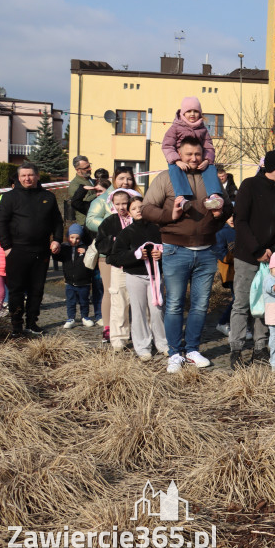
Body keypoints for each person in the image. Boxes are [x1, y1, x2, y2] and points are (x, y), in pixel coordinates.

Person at [142, 136, 231, 373]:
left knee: (200, 305)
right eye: (189, 154)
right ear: (179, 155)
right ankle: (174, 353)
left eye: (197, 154)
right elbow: (146, 208)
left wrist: (220, 213)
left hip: (207, 250)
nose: (193, 158)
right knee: (174, 304)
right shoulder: (166, 177)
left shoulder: (210, 178)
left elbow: (229, 207)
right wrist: (169, 215)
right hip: (175, 249)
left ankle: (192, 350)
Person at [229, 149, 275, 369]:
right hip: (247, 255)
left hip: (272, 259)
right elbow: (240, 221)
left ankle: (260, 348)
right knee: (242, 303)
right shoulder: (249, 185)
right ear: (271, 167)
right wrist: (257, 249)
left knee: (266, 302)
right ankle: (236, 348)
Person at [0, 163, 63, 335]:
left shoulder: (48, 197)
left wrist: (57, 240)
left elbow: (57, 222)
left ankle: (32, 323)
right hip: (17, 251)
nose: (27, 178)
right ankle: (16, 326)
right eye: (23, 175)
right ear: (18, 178)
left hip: (41, 251)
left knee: (37, 289)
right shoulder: (9, 197)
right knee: (16, 290)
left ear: (37, 176)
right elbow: (1, 223)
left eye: (30, 175)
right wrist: (7, 247)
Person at [107, 196, 169, 361]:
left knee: (157, 310)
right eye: (134, 208)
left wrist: (161, 254)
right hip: (135, 276)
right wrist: (135, 255)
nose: (138, 211)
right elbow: (115, 257)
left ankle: (163, 344)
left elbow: (169, 248)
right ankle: (142, 347)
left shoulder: (157, 230)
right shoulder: (126, 233)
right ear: (129, 213)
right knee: (139, 311)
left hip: (155, 275)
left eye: (141, 207)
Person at [161, 97, 224, 210]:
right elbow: (167, 145)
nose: (192, 114)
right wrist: (177, 160)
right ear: (183, 113)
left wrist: (207, 160)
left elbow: (208, 147)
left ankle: (213, 196)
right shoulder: (176, 127)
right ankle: (182, 198)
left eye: (196, 111)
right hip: (180, 159)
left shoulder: (203, 129)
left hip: (198, 159)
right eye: (189, 111)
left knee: (210, 168)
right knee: (174, 169)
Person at [95, 188, 140, 347]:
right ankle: (118, 339)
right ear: (112, 204)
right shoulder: (109, 221)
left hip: (139, 267)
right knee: (119, 302)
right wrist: (113, 241)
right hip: (119, 267)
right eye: (118, 204)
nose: (121, 207)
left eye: (125, 203)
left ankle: (141, 336)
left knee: (140, 303)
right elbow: (100, 244)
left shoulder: (138, 218)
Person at [59, 224, 95, 329]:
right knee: (71, 301)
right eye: (72, 237)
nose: (74, 240)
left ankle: (85, 317)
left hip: (84, 281)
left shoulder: (86, 247)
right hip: (69, 281)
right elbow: (58, 257)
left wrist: (86, 252)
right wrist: (55, 250)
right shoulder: (65, 247)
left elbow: (92, 257)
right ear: (68, 237)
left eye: (77, 238)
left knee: (84, 301)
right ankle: (71, 318)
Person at [67, 155, 95, 228]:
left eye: (89, 166)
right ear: (78, 170)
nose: (90, 169)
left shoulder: (90, 179)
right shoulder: (75, 185)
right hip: (84, 222)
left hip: (94, 219)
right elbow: (84, 201)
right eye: (86, 168)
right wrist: (99, 193)